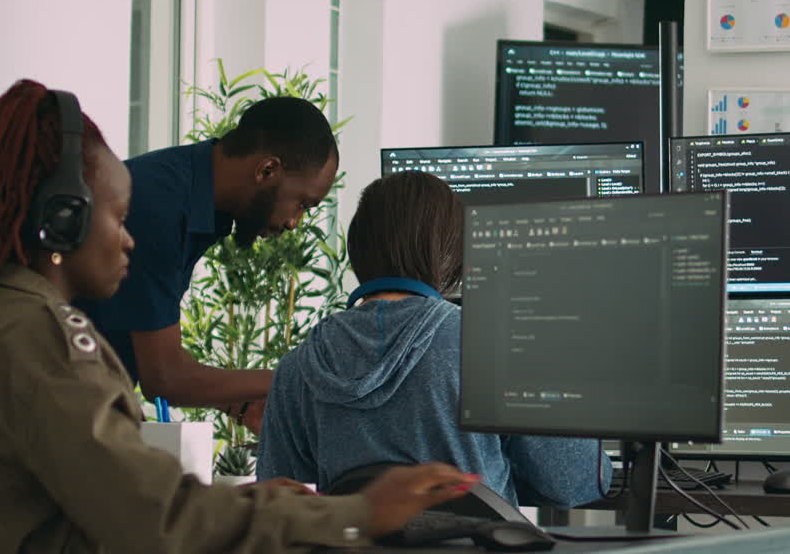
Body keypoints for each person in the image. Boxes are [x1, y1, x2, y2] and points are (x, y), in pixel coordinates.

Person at [0, 80, 477, 552]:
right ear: (65, 219)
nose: (129, 240)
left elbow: (111, 499)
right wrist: (356, 513)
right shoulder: (39, 338)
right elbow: (159, 520)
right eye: (116, 218)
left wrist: (246, 502)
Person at [256, 171, 610, 508]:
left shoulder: (297, 367)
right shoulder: (491, 342)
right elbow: (574, 482)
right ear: (452, 250)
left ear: (357, 248)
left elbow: (280, 503)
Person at [75, 96, 339, 429]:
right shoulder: (160, 206)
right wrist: (297, 376)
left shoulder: (197, 200)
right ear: (267, 169)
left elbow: (140, 345)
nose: (294, 222)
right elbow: (165, 378)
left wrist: (237, 405)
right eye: (302, 203)